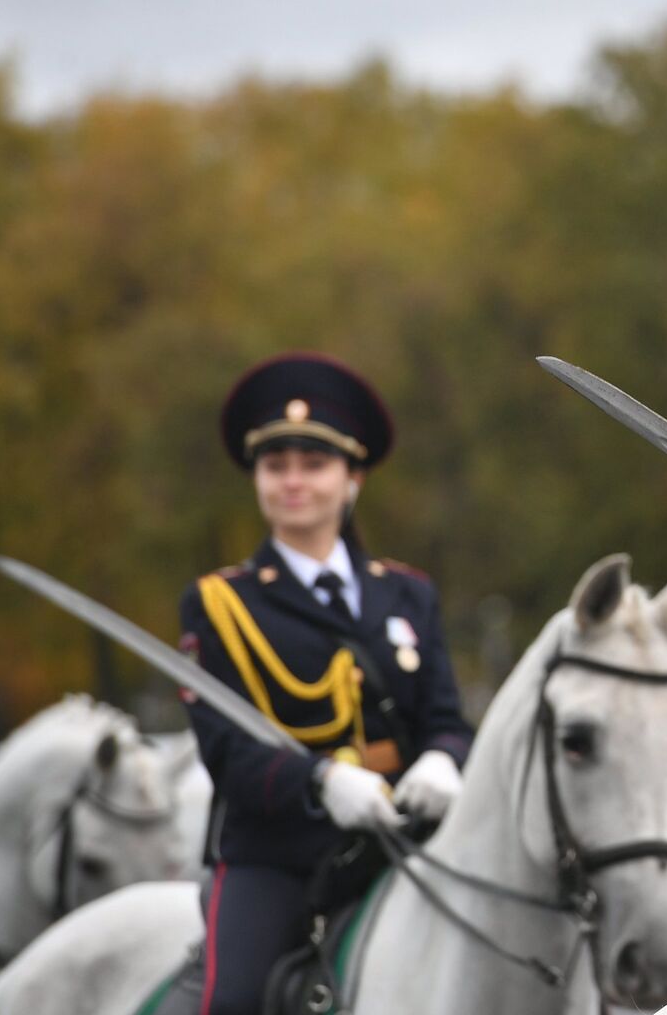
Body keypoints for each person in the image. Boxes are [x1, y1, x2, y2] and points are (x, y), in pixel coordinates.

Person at [179, 352, 474, 1015]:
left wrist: (444, 761)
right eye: (275, 466)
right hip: (279, 855)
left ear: (353, 479)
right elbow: (228, 753)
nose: (293, 483)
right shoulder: (221, 604)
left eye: (314, 466)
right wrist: (321, 781)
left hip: (405, 843)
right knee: (234, 1002)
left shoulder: (408, 595)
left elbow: (447, 720)